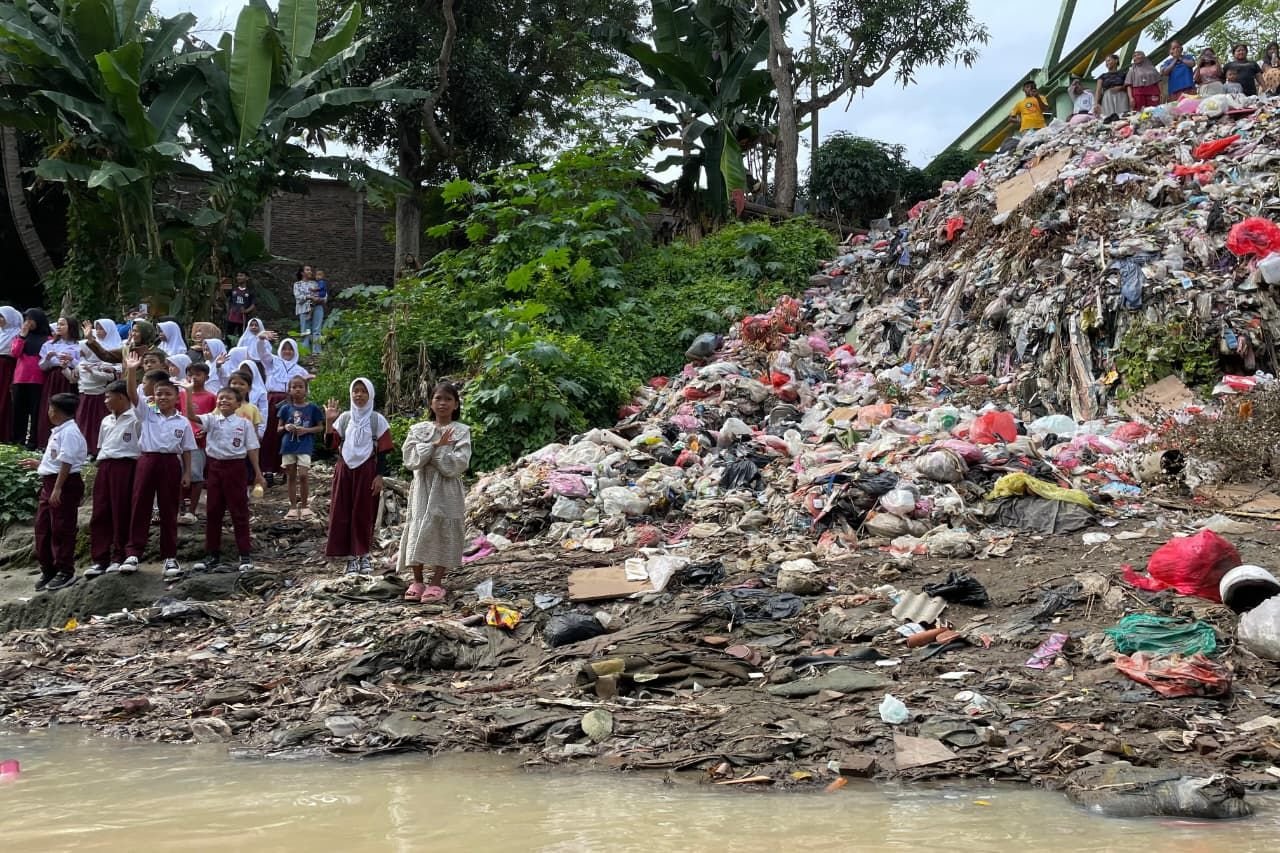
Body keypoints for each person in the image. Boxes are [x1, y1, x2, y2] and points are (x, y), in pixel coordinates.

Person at [122, 351, 195, 579]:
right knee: (140, 505)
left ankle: (170, 557)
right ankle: (133, 553)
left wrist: (187, 473)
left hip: (170, 464)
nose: (162, 397)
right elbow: (132, 394)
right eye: (159, 394)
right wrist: (133, 369)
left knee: (169, 509)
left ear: (176, 397)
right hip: (148, 460)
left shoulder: (182, 421)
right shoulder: (148, 413)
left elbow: (187, 449)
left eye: (167, 394)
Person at [398, 382, 471, 603]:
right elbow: (411, 459)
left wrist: (433, 452)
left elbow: (458, 463)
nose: (443, 403)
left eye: (448, 399)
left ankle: (437, 582)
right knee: (418, 527)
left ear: (456, 404)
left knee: (444, 529)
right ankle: (417, 580)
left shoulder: (462, 431)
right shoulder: (417, 429)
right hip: (422, 486)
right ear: (431, 402)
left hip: (447, 489)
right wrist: (437, 445)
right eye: (438, 398)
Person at [188, 385, 265, 575]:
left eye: (229, 398)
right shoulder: (212, 420)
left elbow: (252, 449)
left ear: (238, 404)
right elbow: (191, 415)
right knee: (213, 511)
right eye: (221, 398)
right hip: (214, 467)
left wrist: (258, 473)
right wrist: (189, 392)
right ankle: (212, 555)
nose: (223, 401)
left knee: (239, 511)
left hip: (236, 468)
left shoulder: (244, 423)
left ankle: (245, 555)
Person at [324, 378, 392, 574]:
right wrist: (329, 422)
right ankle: (350, 558)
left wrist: (379, 476)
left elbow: (384, 451)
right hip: (344, 469)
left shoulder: (376, 420)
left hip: (367, 469)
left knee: (364, 512)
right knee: (342, 511)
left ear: (370, 394)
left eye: (363, 391)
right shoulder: (345, 418)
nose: (359, 395)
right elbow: (330, 444)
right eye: (356, 391)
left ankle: (363, 555)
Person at [20, 393, 87, 590]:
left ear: (55, 411)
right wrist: (40, 464)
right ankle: (48, 569)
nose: (48, 412)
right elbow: (57, 459)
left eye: (50, 408)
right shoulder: (59, 431)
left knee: (62, 528)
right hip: (50, 482)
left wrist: (57, 488)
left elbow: (67, 462)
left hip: (64, 484)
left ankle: (65, 570)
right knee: (43, 527)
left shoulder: (70, 432)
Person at [84, 380, 140, 578]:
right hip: (105, 465)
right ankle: (99, 559)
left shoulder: (136, 418)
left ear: (122, 397)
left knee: (121, 511)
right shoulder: (106, 420)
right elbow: (102, 446)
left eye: (109, 396)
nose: (106, 401)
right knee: (100, 512)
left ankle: (119, 556)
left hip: (125, 465)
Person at [259, 337, 310, 481]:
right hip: (272, 401)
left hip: (291, 402)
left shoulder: (300, 370)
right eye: (285, 348)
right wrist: (262, 339)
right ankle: (267, 470)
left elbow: (305, 391)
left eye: (290, 349)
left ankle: (286, 468)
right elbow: (262, 353)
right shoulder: (273, 362)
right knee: (270, 434)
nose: (287, 352)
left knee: (287, 435)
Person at [276, 375, 325, 521]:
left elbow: (320, 427)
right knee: (291, 476)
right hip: (288, 445)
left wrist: (306, 430)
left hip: (305, 446)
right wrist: (286, 426)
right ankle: (292, 507)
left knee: (303, 475)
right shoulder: (285, 408)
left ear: (306, 390)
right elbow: (278, 429)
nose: (297, 390)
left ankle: (304, 506)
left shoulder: (313, 408)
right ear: (289, 390)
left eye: (300, 387)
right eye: (294, 387)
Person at [74, 319, 122, 457]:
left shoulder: (121, 347)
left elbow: (118, 367)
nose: (99, 331)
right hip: (128, 391)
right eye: (97, 328)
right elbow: (104, 356)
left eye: (102, 328)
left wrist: (109, 369)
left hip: (115, 391)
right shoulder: (97, 348)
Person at [181, 362, 217, 525]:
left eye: (198, 374)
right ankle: (179, 508)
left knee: (196, 476)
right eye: (190, 374)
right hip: (178, 441)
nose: (194, 378)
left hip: (198, 442)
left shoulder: (211, 397)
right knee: (178, 475)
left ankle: (191, 511)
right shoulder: (180, 394)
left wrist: (207, 431)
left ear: (207, 377)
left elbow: (215, 419)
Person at [36, 315, 80, 449]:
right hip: (53, 377)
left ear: (70, 327)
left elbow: (83, 365)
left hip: (69, 378)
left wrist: (71, 360)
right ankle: (45, 442)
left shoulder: (78, 345)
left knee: (67, 406)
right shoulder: (49, 344)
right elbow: (42, 366)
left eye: (62, 324)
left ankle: (68, 442)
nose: (59, 327)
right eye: (58, 325)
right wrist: (48, 358)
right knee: (50, 406)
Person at [10, 309, 51, 449]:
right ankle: (17, 439)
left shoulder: (48, 339)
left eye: (31, 319)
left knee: (36, 411)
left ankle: (33, 441)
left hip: (38, 379)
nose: (28, 323)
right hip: (20, 379)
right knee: (18, 410)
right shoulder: (21, 336)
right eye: (26, 319)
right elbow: (15, 353)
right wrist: (22, 336)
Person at [0, 306, 22, 443]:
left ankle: (4, 433)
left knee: (4, 399)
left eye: (2, 316)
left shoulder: (17, 334)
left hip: (7, 367)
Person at [1094, 54, 1131, 118]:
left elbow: (1128, 86)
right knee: (1108, 116)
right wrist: (1096, 104)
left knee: (1123, 116)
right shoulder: (1102, 76)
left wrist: (1121, 87)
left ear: (1116, 60)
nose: (1107, 63)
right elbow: (1098, 90)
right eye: (1106, 62)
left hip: (1122, 96)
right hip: (1107, 97)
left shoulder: (1124, 74)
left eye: (1108, 60)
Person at [225, 271, 255, 339]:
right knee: (228, 335)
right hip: (231, 317)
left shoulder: (250, 291)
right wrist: (221, 288)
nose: (238, 277)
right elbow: (224, 297)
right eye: (238, 276)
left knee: (242, 336)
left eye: (241, 276)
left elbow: (253, 304)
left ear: (247, 278)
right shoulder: (233, 289)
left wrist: (246, 311)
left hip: (243, 318)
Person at [292, 264, 315, 350]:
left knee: (315, 330)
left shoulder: (314, 283)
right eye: (307, 270)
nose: (310, 272)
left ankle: (316, 351)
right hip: (303, 309)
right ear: (302, 273)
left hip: (314, 309)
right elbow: (298, 297)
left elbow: (320, 294)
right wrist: (308, 297)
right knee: (305, 330)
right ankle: (305, 351)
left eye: (310, 270)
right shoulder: (297, 284)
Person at [310, 268, 328, 355]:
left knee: (317, 329)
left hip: (318, 306)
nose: (317, 276)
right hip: (309, 307)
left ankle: (317, 350)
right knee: (311, 329)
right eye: (316, 275)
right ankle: (314, 350)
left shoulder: (321, 283)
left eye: (319, 275)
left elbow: (324, 298)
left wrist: (314, 293)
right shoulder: (314, 284)